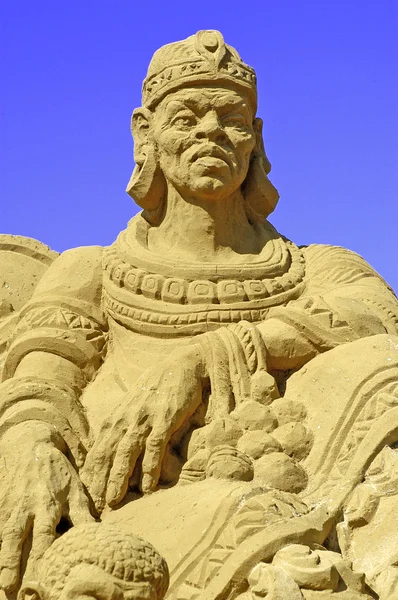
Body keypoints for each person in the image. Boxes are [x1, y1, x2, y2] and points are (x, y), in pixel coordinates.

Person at [0, 30, 397, 599]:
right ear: (147, 135)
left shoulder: (315, 267)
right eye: (186, 116)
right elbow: (40, 384)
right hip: (132, 513)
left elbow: (375, 321)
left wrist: (211, 356)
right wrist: (31, 448)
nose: (211, 130)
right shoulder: (92, 271)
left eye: (232, 116)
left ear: (254, 137)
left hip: (291, 484)